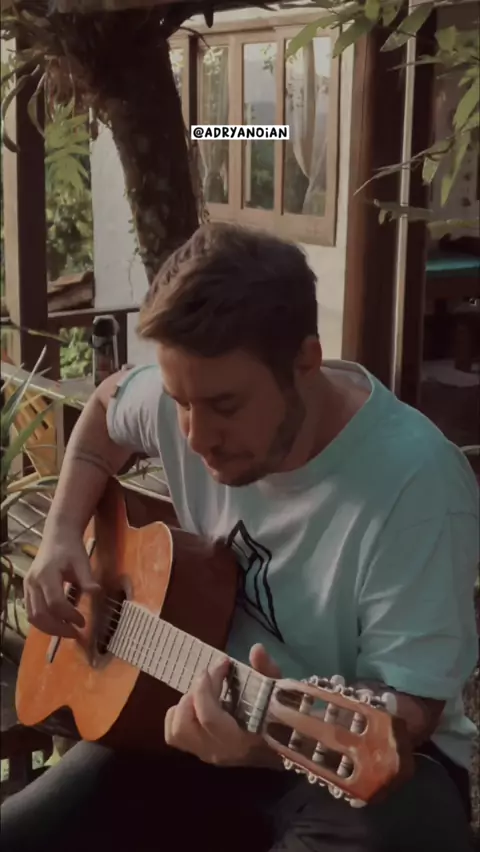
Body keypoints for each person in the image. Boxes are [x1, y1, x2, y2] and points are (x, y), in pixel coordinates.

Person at [2, 223, 478, 852]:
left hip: (368, 771)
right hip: (190, 711)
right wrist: (62, 532)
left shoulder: (415, 484)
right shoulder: (191, 394)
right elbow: (104, 409)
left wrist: (260, 746)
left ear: (305, 362)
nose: (196, 437)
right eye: (180, 403)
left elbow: (410, 712)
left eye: (225, 407)